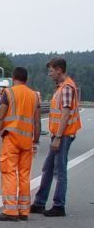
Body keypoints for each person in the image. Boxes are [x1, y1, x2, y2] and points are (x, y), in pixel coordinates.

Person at [31, 57, 82, 217]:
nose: (49, 74)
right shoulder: (62, 87)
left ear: (59, 70)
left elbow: (65, 114)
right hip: (59, 135)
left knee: (59, 170)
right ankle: (40, 203)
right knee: (48, 168)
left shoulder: (66, 88)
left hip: (63, 135)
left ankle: (59, 206)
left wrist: (58, 137)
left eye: (51, 70)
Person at [0, 67, 40, 221]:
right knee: (25, 175)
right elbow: (37, 121)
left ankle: (11, 211)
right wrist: (36, 141)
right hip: (27, 140)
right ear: (26, 79)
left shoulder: (9, 93)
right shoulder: (34, 96)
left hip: (11, 139)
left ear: (13, 78)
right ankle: (24, 210)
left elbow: (0, 116)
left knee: (9, 173)